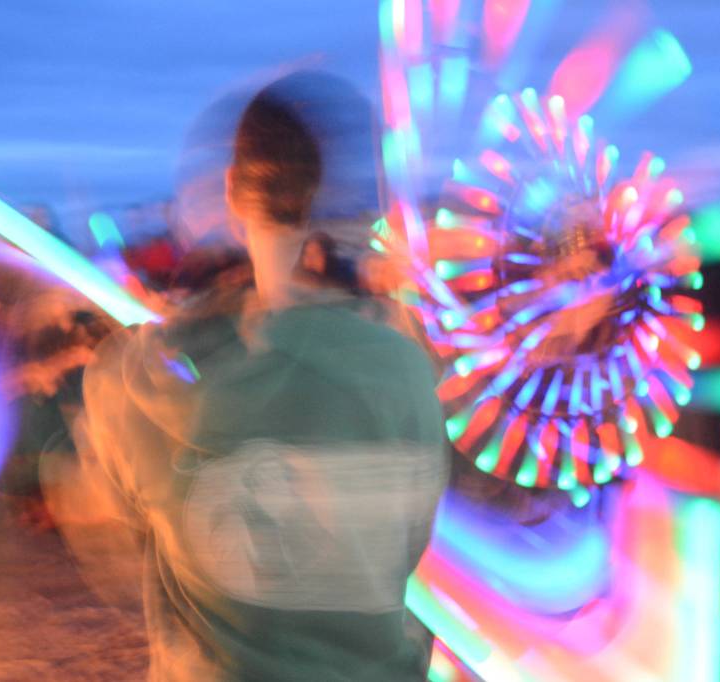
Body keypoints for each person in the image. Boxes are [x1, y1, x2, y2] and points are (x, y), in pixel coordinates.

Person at [61, 71, 449, 681]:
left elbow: (97, 516)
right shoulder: (406, 372)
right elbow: (407, 546)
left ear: (232, 196)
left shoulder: (143, 385)